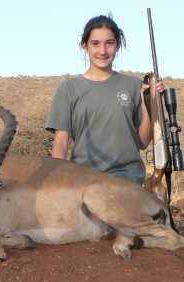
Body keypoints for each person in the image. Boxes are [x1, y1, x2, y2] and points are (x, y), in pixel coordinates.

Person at [45, 14, 164, 185]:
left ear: (117, 46)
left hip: (128, 180)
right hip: (83, 181)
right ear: (84, 46)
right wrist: (57, 183)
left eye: (109, 43)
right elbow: (61, 143)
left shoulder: (134, 85)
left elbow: (143, 142)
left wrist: (151, 104)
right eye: (95, 44)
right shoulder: (68, 89)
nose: (103, 51)